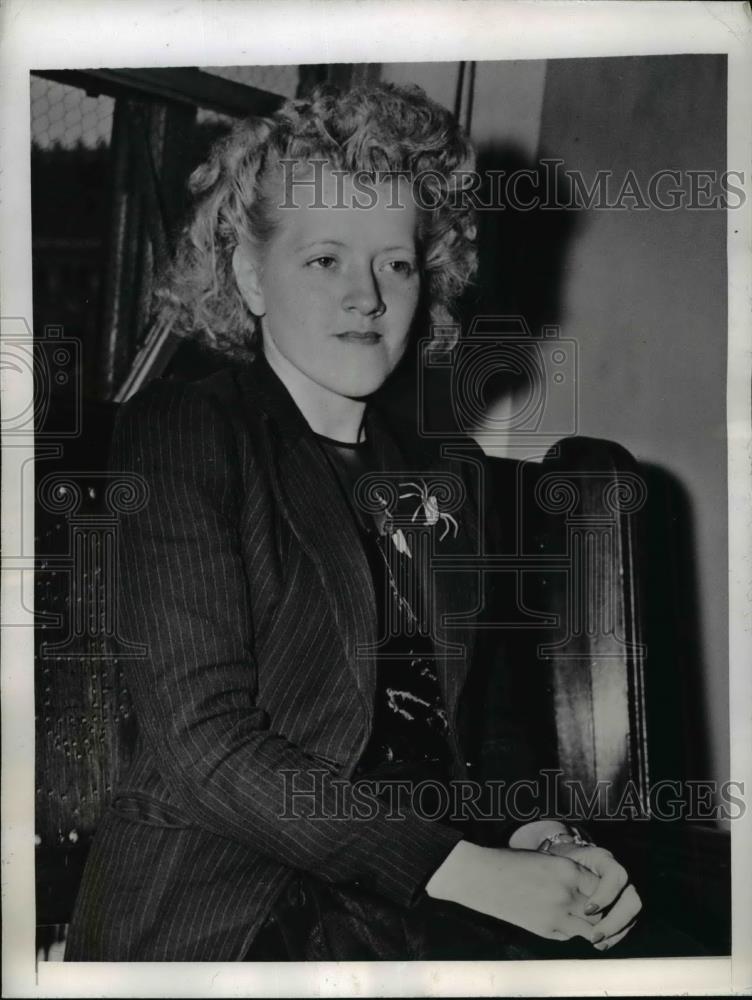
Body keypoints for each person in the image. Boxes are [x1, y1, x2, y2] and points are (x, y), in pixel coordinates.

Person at [65, 81, 642, 962]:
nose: (368, 296)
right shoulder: (184, 434)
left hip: (408, 909)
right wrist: (464, 869)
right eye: (325, 259)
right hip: (223, 914)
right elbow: (204, 741)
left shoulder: (453, 477)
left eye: (397, 263)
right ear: (252, 275)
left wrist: (540, 839)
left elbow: (480, 730)